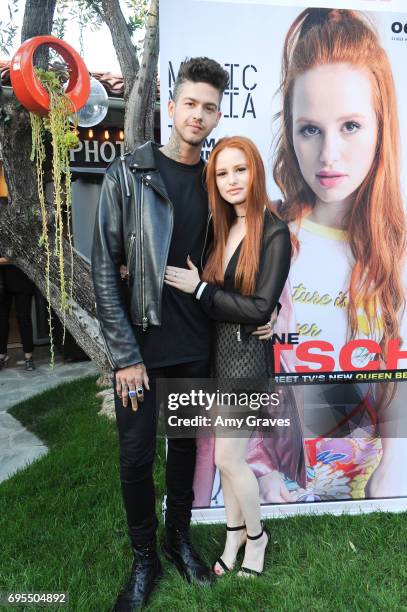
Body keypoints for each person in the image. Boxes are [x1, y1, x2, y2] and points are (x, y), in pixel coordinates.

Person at [92, 58, 273, 610]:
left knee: (185, 450)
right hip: (141, 350)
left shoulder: (218, 179)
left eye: (209, 107)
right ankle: (144, 558)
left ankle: (178, 542)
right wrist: (123, 355)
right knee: (135, 455)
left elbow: (255, 243)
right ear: (171, 107)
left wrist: (262, 309)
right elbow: (106, 267)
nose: (198, 115)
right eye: (189, 103)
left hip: (198, 344)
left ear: (220, 114)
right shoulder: (130, 173)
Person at [264, 7, 407, 501]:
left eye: (350, 126)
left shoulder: (398, 252)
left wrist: (392, 476)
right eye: (310, 129)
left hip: (369, 493)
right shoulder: (267, 237)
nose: (328, 156)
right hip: (278, 484)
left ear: (380, 126)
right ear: (291, 130)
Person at [165, 136, 292, 576]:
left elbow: (258, 307)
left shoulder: (274, 231)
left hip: (247, 361)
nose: (232, 180)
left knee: (227, 460)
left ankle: (255, 539)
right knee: (229, 457)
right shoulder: (219, 228)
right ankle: (234, 534)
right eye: (222, 173)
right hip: (217, 356)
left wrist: (202, 289)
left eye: (240, 170)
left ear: (255, 171)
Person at [0, 256, 35, 371]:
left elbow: (19, 253)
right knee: (1, 319)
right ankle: (2, 355)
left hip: (22, 276)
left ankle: (28, 357)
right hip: (1, 279)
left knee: (24, 318)